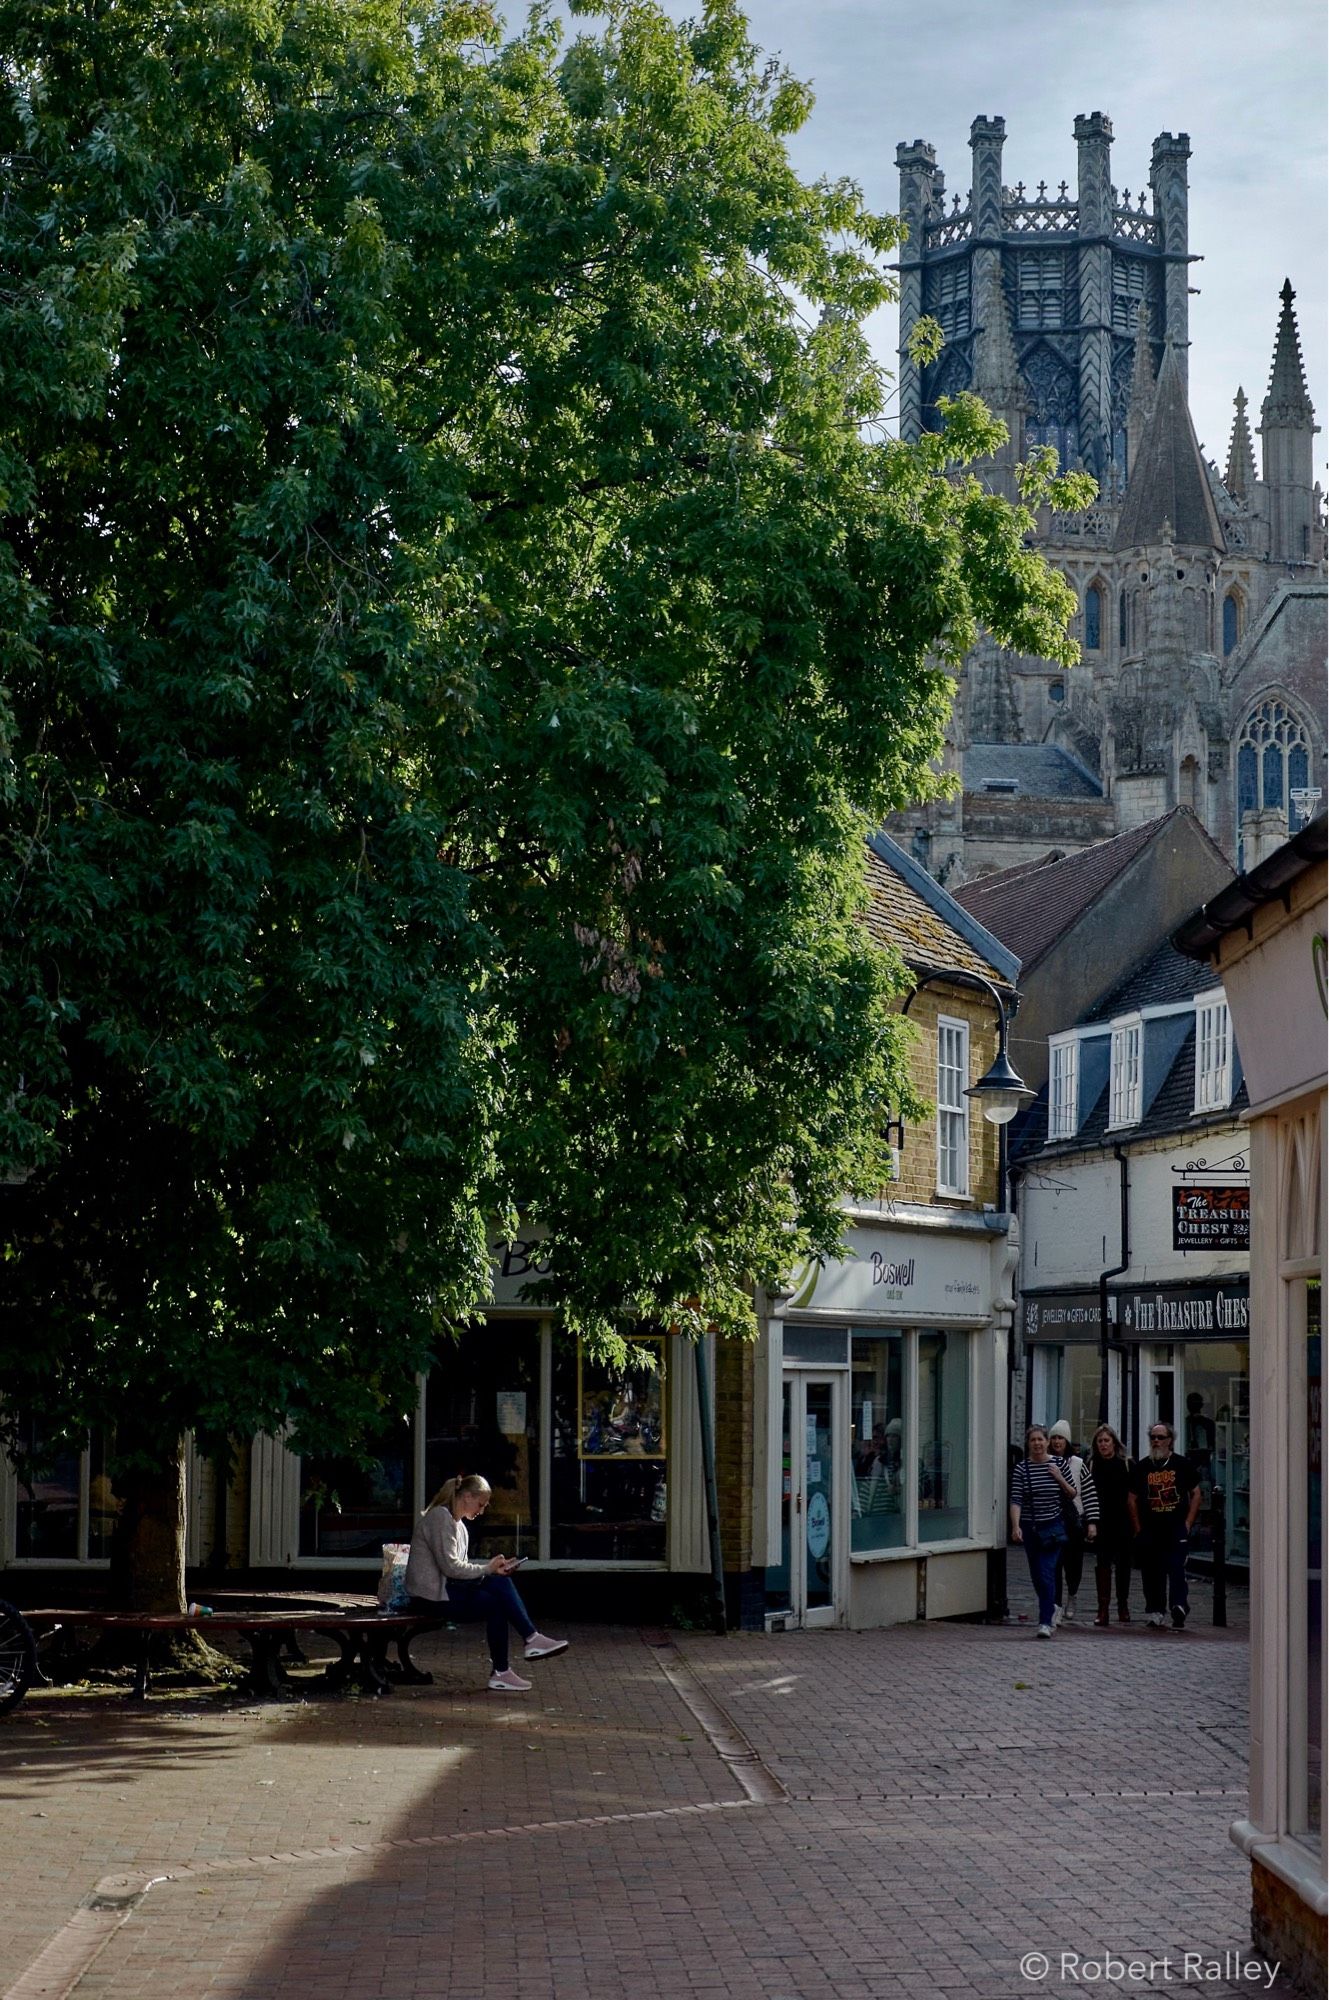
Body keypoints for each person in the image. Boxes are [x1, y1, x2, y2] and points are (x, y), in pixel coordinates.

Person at [404, 1473, 568, 1691]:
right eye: (480, 1504)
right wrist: (487, 1569)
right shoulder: (440, 1518)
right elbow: (450, 1567)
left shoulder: (459, 1526)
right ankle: (528, 1641)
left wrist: (491, 1571)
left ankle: (504, 1669)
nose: (481, 1511)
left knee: (497, 1595)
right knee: (497, 1589)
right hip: (428, 1597)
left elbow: (457, 1571)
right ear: (467, 1497)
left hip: (446, 1591)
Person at [1128, 1422, 1201, 1629]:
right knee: (1151, 1571)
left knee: (1176, 1567)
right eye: (1153, 1437)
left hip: (1175, 1526)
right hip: (1150, 1528)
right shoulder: (1142, 1467)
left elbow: (1196, 1493)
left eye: (1160, 1437)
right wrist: (1138, 1528)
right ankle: (1155, 1610)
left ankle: (1179, 1605)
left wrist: (1188, 1522)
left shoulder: (1181, 1464)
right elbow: (1131, 1498)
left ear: (1170, 1440)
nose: (1156, 1441)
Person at [1009, 1425, 1079, 1638]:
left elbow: (1072, 1492)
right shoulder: (1022, 1469)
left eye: (1041, 1439)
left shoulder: (1058, 1463)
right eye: (1033, 1440)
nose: (1037, 1444)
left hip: (1053, 1527)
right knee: (1037, 1576)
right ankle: (1050, 1607)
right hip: (1031, 1528)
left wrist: (1059, 1477)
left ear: (1047, 1442)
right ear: (1028, 1444)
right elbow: (1016, 1500)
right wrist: (1015, 1526)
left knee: (1047, 1572)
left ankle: (1045, 1621)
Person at [1047, 1419, 1098, 1624]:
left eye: (1061, 1438)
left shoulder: (1078, 1464)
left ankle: (1072, 1596)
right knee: (1054, 1565)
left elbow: (1089, 1493)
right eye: (1054, 1438)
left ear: (1067, 1441)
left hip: (1074, 1521)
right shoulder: (1045, 1461)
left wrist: (1092, 1522)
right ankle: (1055, 1607)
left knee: (1073, 1566)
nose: (1057, 1441)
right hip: (1053, 1520)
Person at [1088, 1425, 1133, 1625]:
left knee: (1124, 1565)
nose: (1103, 1444)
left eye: (1107, 1440)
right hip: (1101, 1521)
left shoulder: (1127, 1464)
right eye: (1100, 1441)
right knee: (1103, 1563)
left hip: (1123, 1522)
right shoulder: (1091, 1465)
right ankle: (1103, 1608)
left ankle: (1123, 1605)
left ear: (1114, 1442)